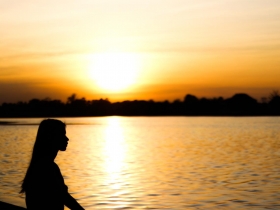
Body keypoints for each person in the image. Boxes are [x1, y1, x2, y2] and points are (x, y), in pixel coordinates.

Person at [20, 119, 84, 210]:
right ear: (51, 137)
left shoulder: (38, 165)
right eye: (62, 134)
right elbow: (64, 197)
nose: (67, 138)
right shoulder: (48, 168)